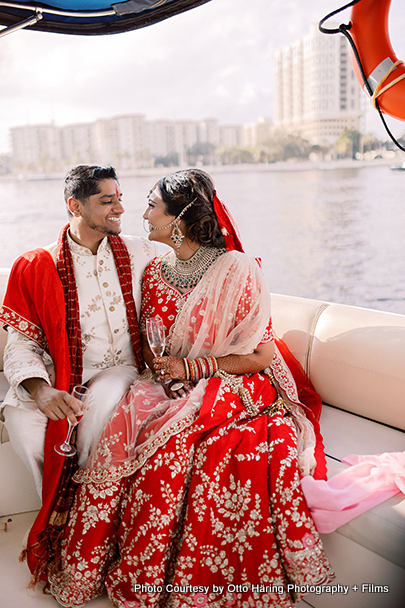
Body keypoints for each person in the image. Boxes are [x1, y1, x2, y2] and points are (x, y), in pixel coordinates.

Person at [39, 169, 334, 607]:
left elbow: (261, 356)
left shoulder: (236, 269)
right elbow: (153, 345)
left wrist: (192, 369)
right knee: (129, 419)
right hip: (170, 381)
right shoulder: (154, 273)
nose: (141, 214)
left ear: (177, 220)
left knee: (179, 444)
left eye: (151, 206)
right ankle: (93, 567)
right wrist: (167, 375)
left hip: (236, 381)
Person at [0, 165, 157, 573]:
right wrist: (41, 391)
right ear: (75, 205)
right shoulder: (36, 266)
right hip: (58, 376)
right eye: (107, 201)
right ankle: (62, 526)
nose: (120, 208)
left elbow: (196, 252)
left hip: (121, 370)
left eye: (120, 197)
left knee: (97, 412)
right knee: (30, 433)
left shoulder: (142, 252)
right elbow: (21, 343)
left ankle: (87, 533)